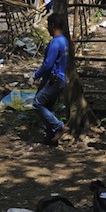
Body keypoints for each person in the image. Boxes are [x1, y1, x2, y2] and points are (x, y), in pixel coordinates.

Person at [30, 12, 69, 145]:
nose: (47, 28)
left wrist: (36, 75)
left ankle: (59, 126)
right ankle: (51, 137)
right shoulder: (64, 41)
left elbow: (48, 64)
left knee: (37, 104)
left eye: (48, 25)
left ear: (53, 26)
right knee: (48, 106)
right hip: (60, 79)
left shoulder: (55, 42)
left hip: (54, 79)